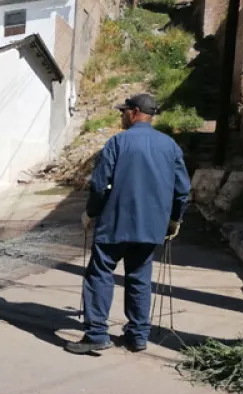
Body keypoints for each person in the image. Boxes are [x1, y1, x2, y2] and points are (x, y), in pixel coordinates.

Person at [66, 93, 191, 355]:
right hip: (150, 228)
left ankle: (97, 334)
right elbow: (182, 190)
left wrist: (90, 213)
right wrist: (174, 220)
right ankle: (138, 336)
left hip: (115, 224)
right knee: (139, 278)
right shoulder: (169, 146)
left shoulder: (117, 143)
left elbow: (100, 186)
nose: (121, 116)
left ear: (134, 112)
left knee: (100, 274)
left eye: (124, 111)